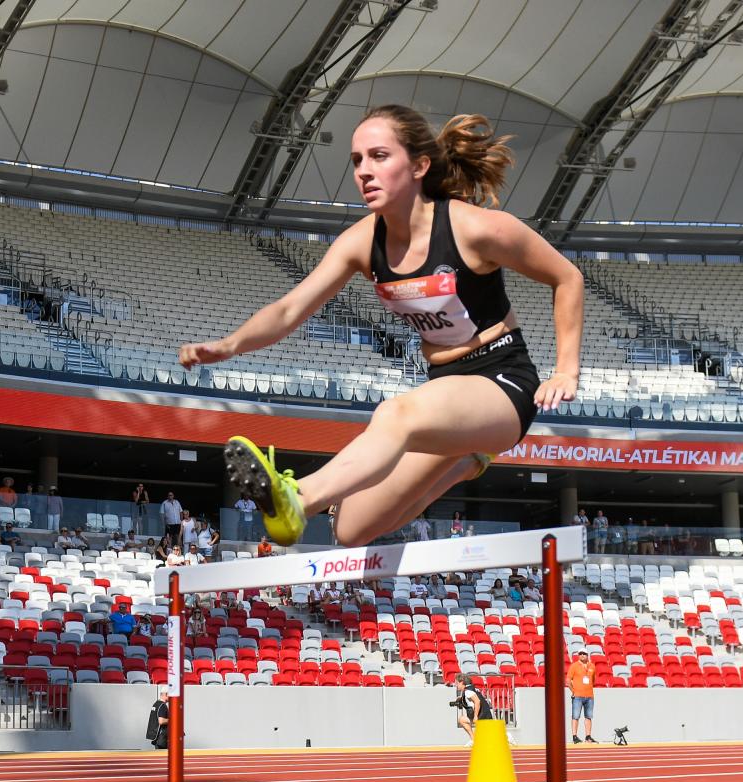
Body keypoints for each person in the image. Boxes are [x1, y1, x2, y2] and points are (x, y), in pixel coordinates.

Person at [180, 104, 581, 548]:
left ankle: (299, 496)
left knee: (394, 413)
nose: (364, 172)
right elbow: (290, 309)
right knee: (352, 529)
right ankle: (467, 460)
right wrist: (230, 344)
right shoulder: (360, 243)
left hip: (501, 380)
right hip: (445, 389)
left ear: (419, 166)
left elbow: (566, 277)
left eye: (379, 156)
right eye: (356, 161)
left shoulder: (474, 228)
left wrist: (566, 369)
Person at [451, 672, 492, 743]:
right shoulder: (472, 689)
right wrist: (461, 698)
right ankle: (474, 740)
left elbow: (477, 701)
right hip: (486, 714)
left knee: (461, 720)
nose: (456, 685)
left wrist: (475, 716)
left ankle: (474, 740)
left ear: (462, 682)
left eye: (457, 683)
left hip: (481, 717)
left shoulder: (467, 692)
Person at [568, 649, 597, 743]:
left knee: (588, 717)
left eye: (584, 653)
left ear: (587, 655)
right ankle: (574, 737)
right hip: (578, 696)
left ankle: (588, 736)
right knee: (575, 716)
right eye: (580, 654)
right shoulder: (574, 666)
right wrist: (573, 691)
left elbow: (593, 680)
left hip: (589, 696)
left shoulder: (592, 666)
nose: (582, 655)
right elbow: (568, 680)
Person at [146, 685, 171, 750]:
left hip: (157, 738)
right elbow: (161, 721)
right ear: (166, 694)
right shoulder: (162, 705)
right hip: (162, 738)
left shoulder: (156, 704)